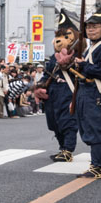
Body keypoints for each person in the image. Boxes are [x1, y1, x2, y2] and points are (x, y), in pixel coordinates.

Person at [56, 5, 101, 179]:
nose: (90, 29)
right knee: (88, 128)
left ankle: (98, 165)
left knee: (95, 129)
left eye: (95, 26)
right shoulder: (90, 48)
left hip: (97, 93)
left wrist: (83, 65)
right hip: (85, 92)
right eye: (88, 26)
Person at [34, 12, 80, 162]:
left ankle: (68, 149)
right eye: (59, 37)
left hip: (69, 91)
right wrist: (40, 86)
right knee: (54, 122)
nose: (60, 41)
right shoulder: (53, 58)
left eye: (66, 37)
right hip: (53, 93)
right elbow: (48, 75)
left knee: (68, 121)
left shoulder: (78, 56)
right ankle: (62, 147)